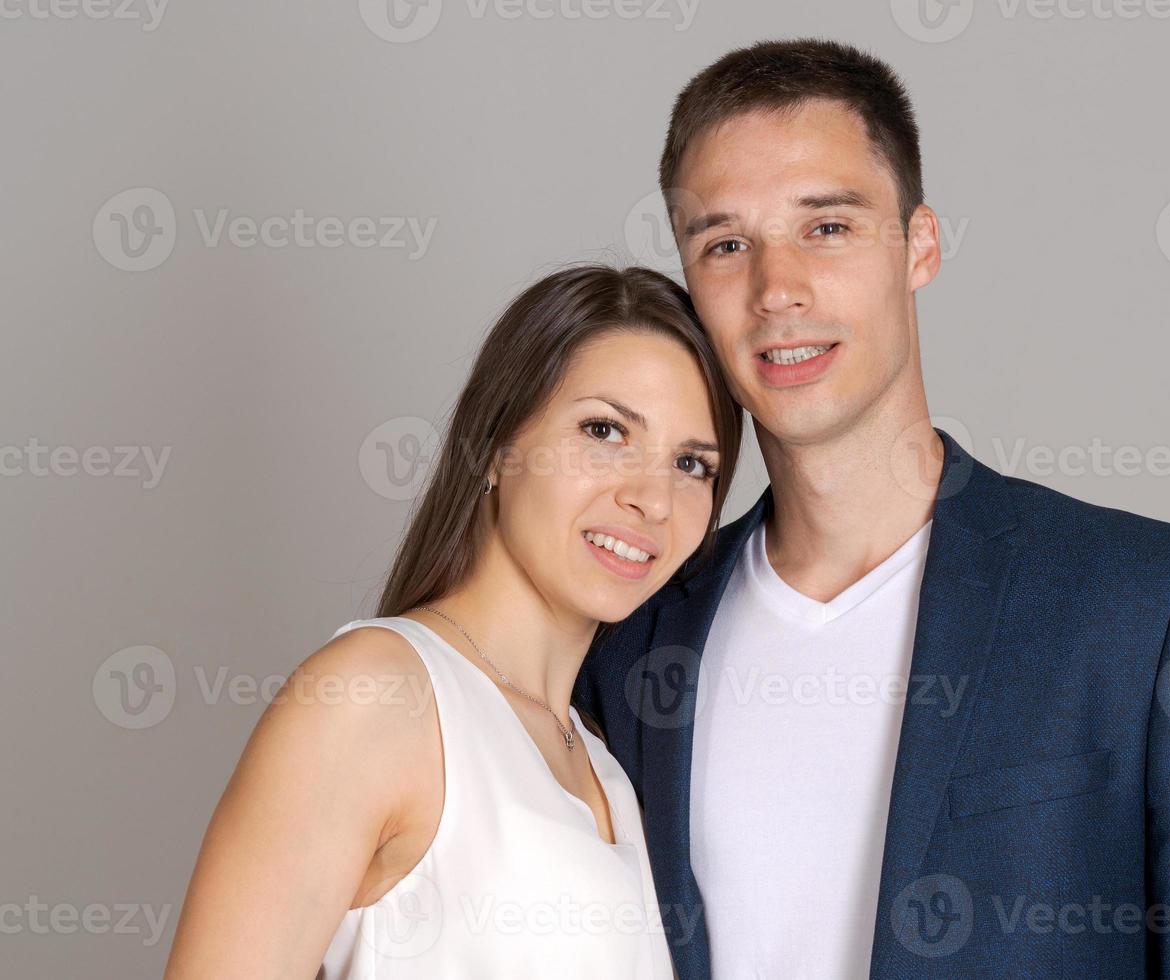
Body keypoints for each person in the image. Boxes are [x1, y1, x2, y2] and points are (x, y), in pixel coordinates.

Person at [573, 39, 1170, 978]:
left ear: (919, 244)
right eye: (726, 245)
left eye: (827, 227)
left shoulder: (1140, 604)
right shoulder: (631, 636)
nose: (777, 290)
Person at [163, 264, 744, 978]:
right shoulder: (375, 696)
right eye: (604, 430)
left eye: (692, 464)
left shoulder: (603, 765)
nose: (652, 500)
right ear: (496, 446)